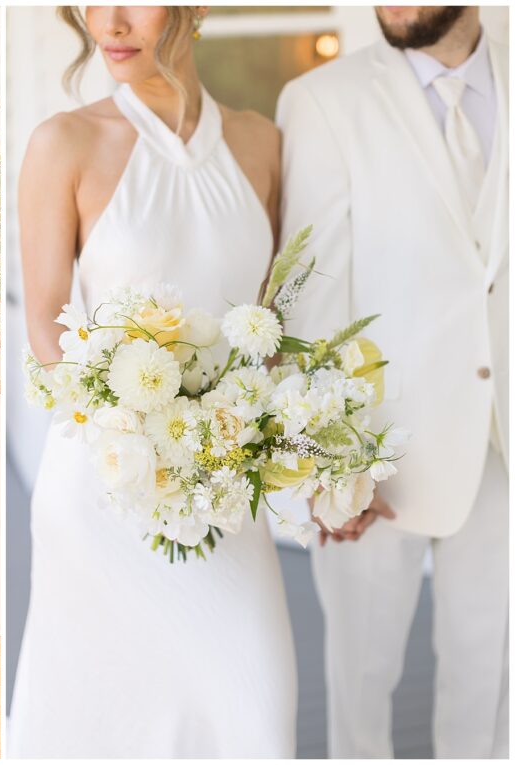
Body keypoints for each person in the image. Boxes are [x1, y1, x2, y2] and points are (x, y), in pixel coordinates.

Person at [8, 6, 296, 757]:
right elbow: (45, 323)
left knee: (254, 710)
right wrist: (130, 430)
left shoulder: (262, 144)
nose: (110, 20)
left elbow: (265, 321)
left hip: (227, 496)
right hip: (106, 490)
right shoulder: (64, 142)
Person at [277, 5, 508, 758]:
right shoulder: (323, 102)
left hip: (503, 445)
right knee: (361, 682)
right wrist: (326, 462)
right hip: (374, 458)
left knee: (487, 677)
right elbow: (310, 294)